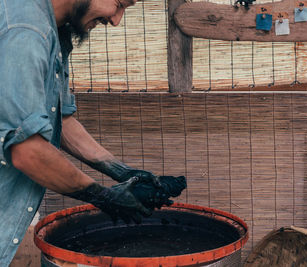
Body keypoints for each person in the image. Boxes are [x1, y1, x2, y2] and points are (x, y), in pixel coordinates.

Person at [0, 0, 186, 265]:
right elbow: (28, 151)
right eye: (119, 4)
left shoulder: (55, 30)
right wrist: (103, 197)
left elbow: (59, 119)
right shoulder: (26, 32)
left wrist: (123, 172)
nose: (116, 20)